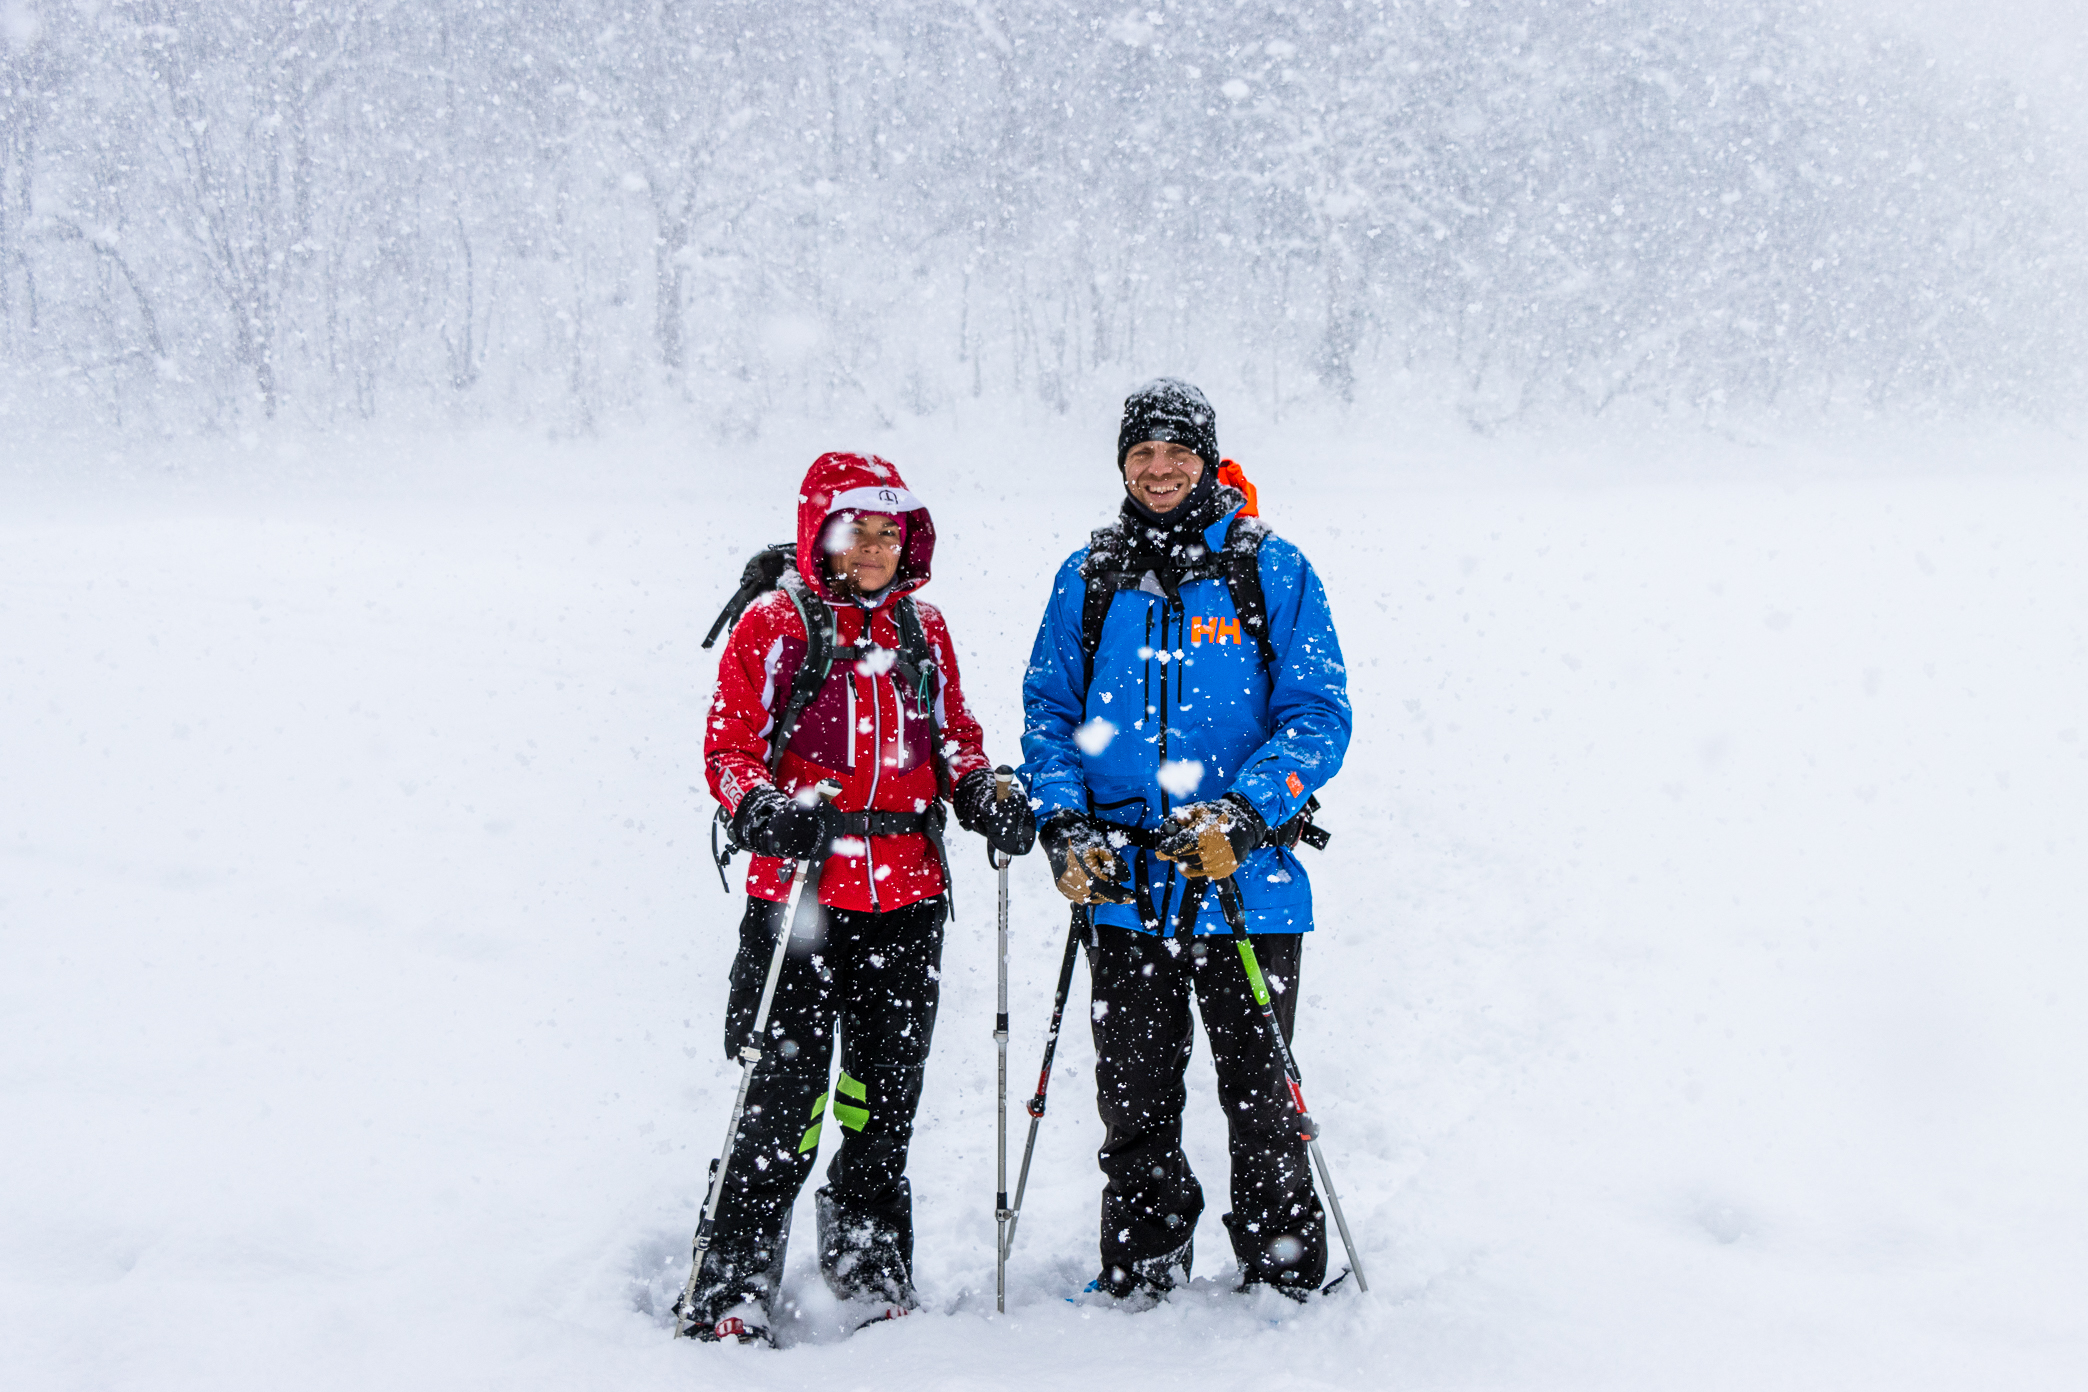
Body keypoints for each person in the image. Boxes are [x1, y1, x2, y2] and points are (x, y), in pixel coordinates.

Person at [680, 451, 1035, 1344]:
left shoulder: (925, 629)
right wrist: (760, 806)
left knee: (881, 1098)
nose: (874, 549)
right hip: (799, 899)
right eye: (856, 531)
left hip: (908, 899)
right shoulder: (777, 625)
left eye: (888, 532)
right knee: (782, 1098)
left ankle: (868, 1260)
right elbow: (730, 749)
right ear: (821, 533)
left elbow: (954, 738)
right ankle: (732, 1280)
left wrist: (983, 790)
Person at [1019, 379, 1352, 1302]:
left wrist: (1243, 815)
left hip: (1248, 881)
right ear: (1122, 462)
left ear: (1206, 458)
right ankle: (1142, 1260)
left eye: (1177, 452)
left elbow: (1318, 714)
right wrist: (1066, 821)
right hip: (1122, 882)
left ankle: (1283, 1269)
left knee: (1262, 1097)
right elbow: (1049, 713)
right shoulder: (1088, 575)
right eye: (1141, 453)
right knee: (1132, 1099)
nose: (1158, 469)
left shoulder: (1268, 568)